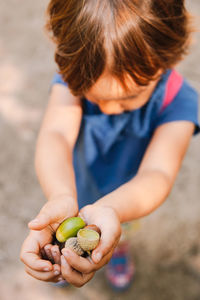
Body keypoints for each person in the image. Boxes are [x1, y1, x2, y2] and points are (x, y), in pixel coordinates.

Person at [20, 0, 200, 291]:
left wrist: (112, 209)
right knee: (75, 231)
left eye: (129, 98)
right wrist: (61, 195)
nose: (110, 108)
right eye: (93, 96)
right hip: (76, 183)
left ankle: (117, 250)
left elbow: (158, 174)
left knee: (117, 232)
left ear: (169, 57)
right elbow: (56, 135)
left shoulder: (178, 101)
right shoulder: (77, 71)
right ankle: (65, 253)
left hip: (128, 199)